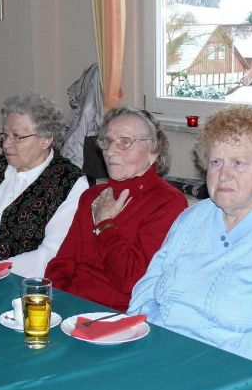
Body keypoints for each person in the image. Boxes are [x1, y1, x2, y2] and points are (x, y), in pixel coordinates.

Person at [129, 105, 252, 390]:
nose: (224, 175)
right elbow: (145, 293)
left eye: (239, 163)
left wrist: (191, 346)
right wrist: (164, 340)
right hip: (174, 363)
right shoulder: (192, 219)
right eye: (216, 162)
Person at [45, 107, 187, 311]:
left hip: (117, 315)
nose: (110, 151)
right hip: (69, 306)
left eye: (125, 142)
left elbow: (131, 280)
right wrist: (51, 302)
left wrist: (105, 225)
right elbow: (63, 263)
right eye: (107, 141)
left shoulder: (168, 202)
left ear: (153, 152)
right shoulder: (92, 196)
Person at [0, 94, 88, 278]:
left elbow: (51, 253)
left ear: (46, 139)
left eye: (17, 137)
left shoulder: (69, 182)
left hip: (23, 283)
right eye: (5, 135)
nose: (6, 144)